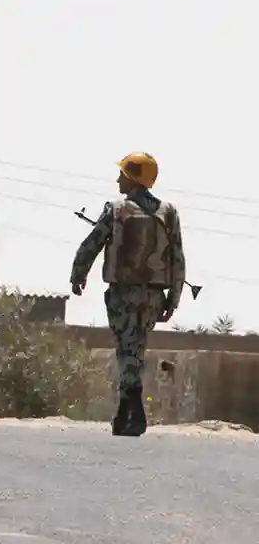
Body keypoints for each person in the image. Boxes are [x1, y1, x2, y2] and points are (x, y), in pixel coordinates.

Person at [69, 152, 186, 437]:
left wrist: (78, 273)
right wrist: (174, 296)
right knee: (135, 349)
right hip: (154, 295)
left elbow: (93, 243)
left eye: (122, 174)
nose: (118, 179)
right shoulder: (168, 212)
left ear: (132, 177)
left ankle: (135, 410)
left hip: (122, 292)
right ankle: (123, 414)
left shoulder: (116, 209)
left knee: (126, 349)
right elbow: (178, 257)